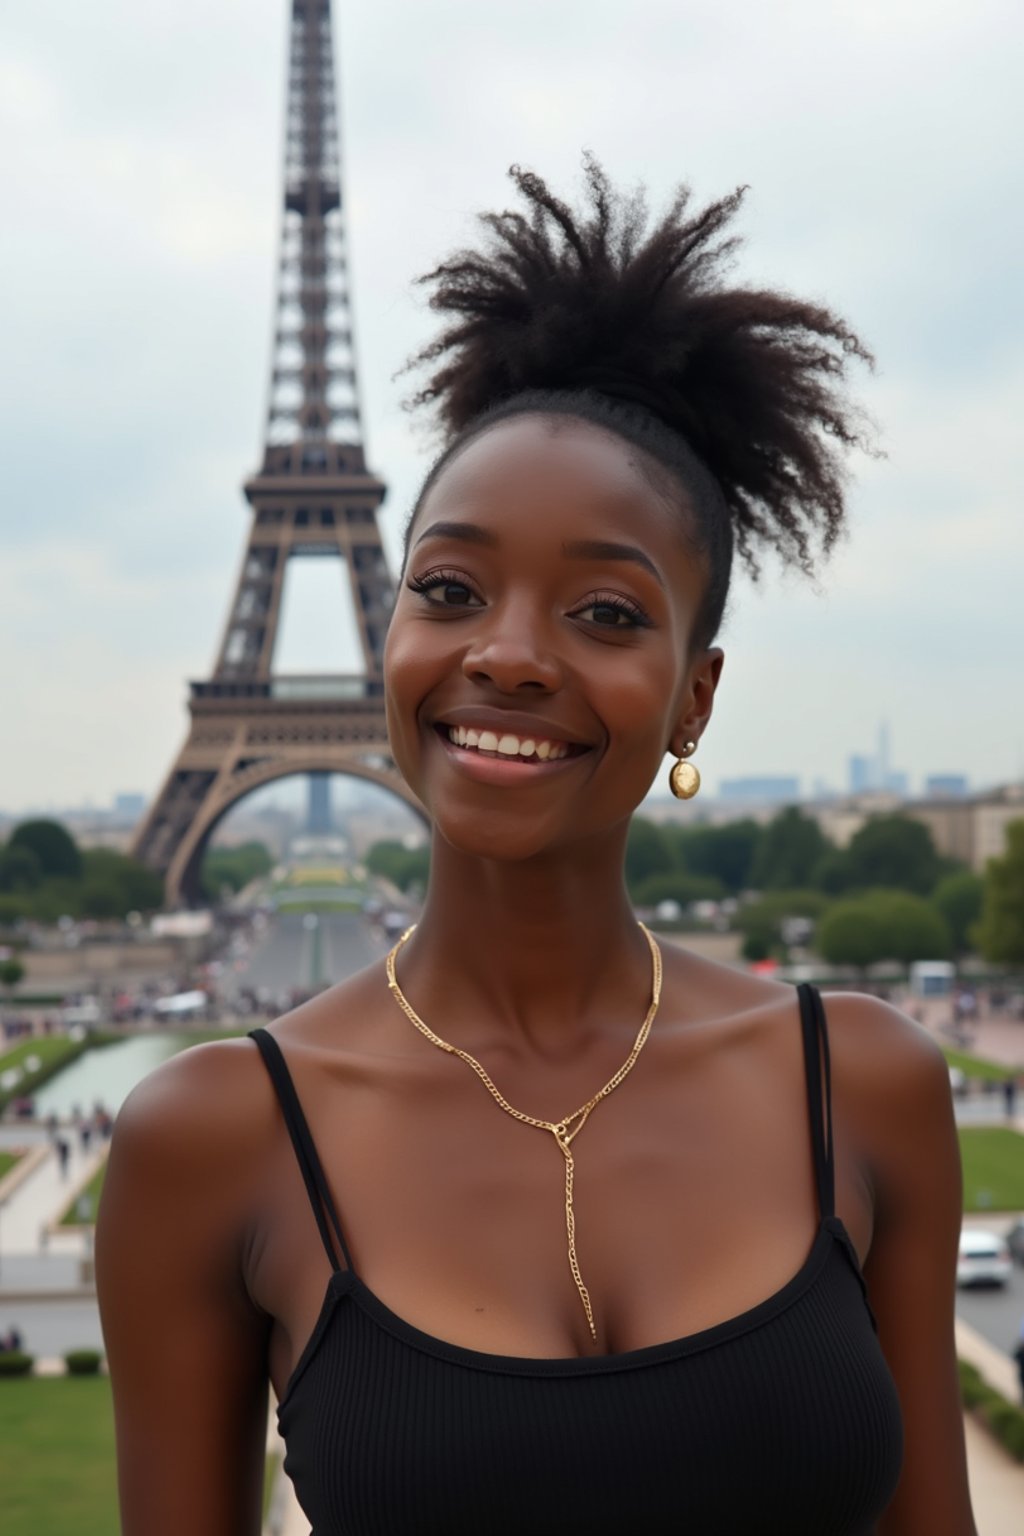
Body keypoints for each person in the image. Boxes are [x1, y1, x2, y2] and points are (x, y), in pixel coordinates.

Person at [95, 161, 975, 1534]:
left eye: (608, 613)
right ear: (389, 633)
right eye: (447, 588)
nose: (505, 653)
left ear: (696, 696)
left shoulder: (867, 1086)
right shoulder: (206, 1141)